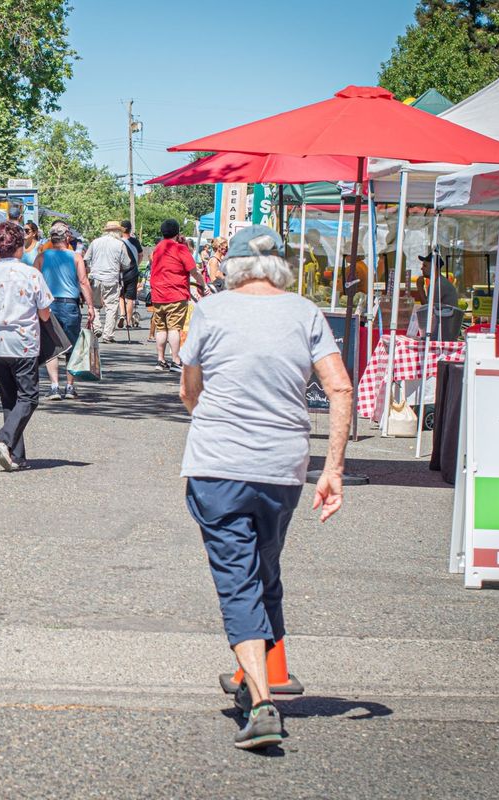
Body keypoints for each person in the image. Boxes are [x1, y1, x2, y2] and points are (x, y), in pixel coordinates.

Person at [178, 224, 351, 750]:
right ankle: (259, 670)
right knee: (262, 566)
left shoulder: (211, 310)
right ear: (280, 264)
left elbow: (189, 388)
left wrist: (211, 420)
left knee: (237, 576)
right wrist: (334, 469)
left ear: (230, 267)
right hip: (283, 468)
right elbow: (340, 388)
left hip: (218, 464)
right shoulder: (305, 312)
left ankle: (261, 700)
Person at [0, 221, 53, 471]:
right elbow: (45, 313)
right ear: (19, 247)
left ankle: (15, 455)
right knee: (29, 396)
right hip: (23, 343)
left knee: (10, 399)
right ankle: (4, 438)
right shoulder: (30, 274)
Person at [34, 221, 95, 400]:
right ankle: (69, 387)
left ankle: (54, 387)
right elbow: (83, 282)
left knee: (52, 345)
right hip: (70, 305)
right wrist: (91, 306)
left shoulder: (41, 257)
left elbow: (34, 281)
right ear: (67, 237)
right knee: (72, 345)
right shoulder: (75, 257)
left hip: (48, 305)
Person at [150, 218, 207, 373]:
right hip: (175, 293)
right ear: (177, 232)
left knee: (161, 328)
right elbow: (193, 270)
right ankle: (176, 361)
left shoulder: (158, 248)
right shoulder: (180, 249)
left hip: (158, 294)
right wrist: (204, 285)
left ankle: (160, 360)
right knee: (174, 328)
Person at [84, 221, 131, 343]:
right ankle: (108, 335)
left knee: (95, 305)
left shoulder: (95, 242)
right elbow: (127, 264)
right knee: (111, 307)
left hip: (95, 278)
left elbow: (86, 259)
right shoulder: (119, 244)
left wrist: (92, 267)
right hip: (111, 279)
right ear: (117, 232)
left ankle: (97, 326)